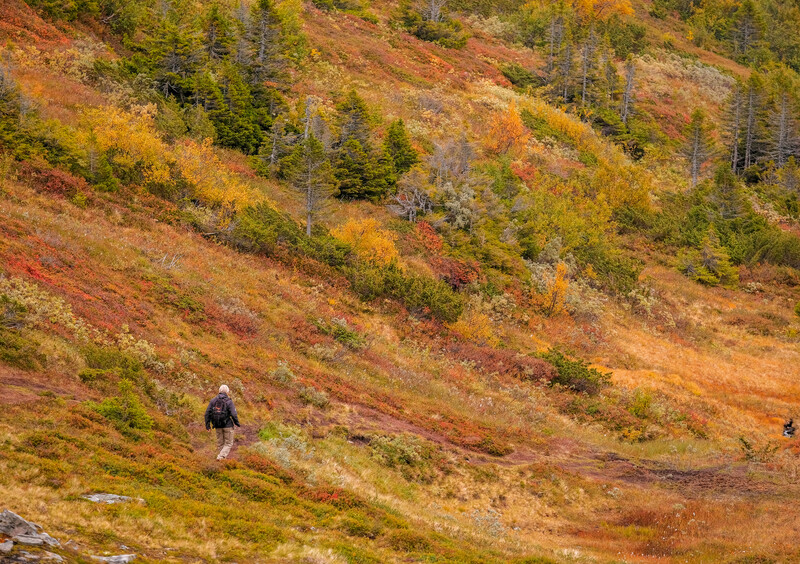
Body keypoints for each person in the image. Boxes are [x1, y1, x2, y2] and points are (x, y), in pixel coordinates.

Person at [205, 385, 241, 460]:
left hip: (217, 425)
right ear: (227, 392)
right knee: (228, 443)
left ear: (219, 391)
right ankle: (221, 457)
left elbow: (207, 413)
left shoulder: (213, 401)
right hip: (228, 425)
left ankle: (222, 462)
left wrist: (207, 425)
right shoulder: (229, 401)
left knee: (220, 444)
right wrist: (237, 423)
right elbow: (234, 414)